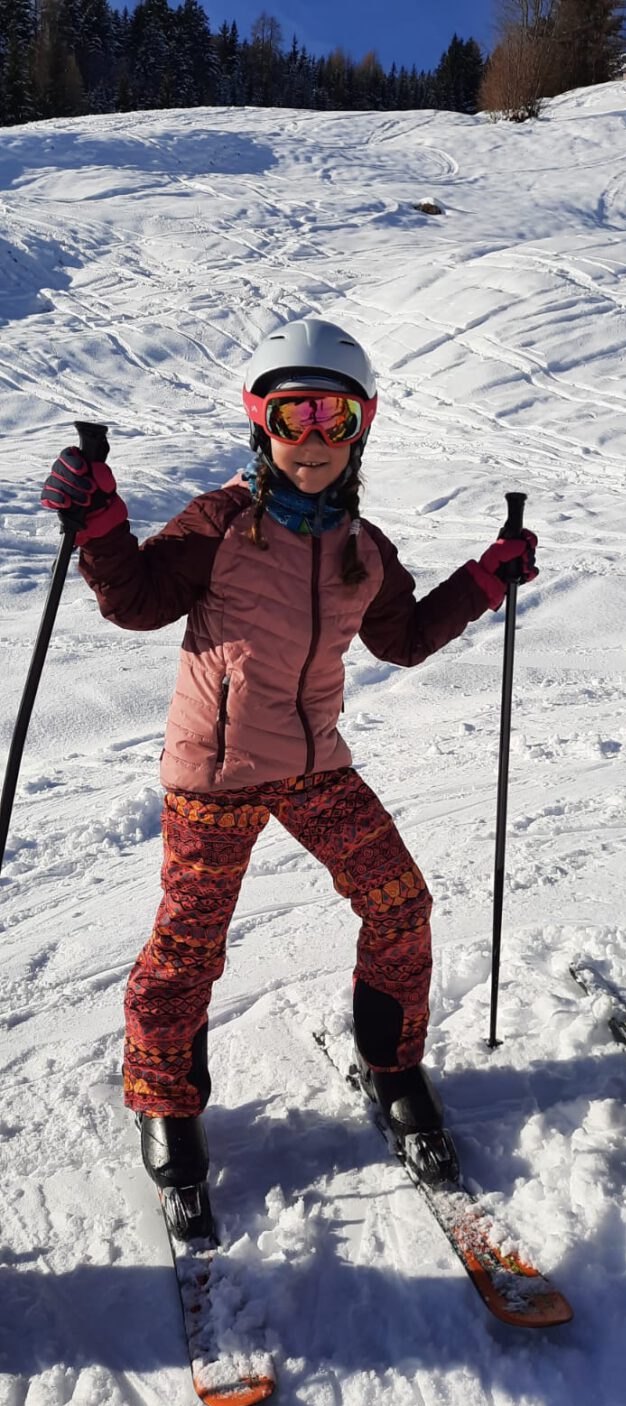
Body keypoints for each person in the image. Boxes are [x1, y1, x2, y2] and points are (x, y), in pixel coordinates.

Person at [41, 318, 537, 1233]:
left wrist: (484, 580)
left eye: (332, 418)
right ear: (259, 421)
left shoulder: (364, 545)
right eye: (292, 415)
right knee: (188, 949)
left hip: (315, 766)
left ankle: (392, 1066)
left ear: (361, 428)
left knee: (401, 905)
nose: (312, 439)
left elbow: (402, 639)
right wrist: (101, 526)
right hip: (215, 774)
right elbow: (138, 603)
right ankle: (166, 1102)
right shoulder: (220, 523)